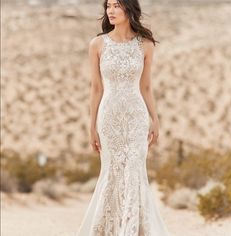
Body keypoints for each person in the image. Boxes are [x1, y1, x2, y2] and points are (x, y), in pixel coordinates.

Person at [76, 0, 171, 235]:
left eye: (117, 5)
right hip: (109, 118)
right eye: (108, 5)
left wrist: (154, 119)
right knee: (112, 172)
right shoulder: (97, 44)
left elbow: (146, 87)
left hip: (136, 117)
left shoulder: (145, 45)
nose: (111, 10)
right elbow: (96, 88)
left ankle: (131, 229)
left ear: (129, 9)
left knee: (134, 172)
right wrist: (91, 127)